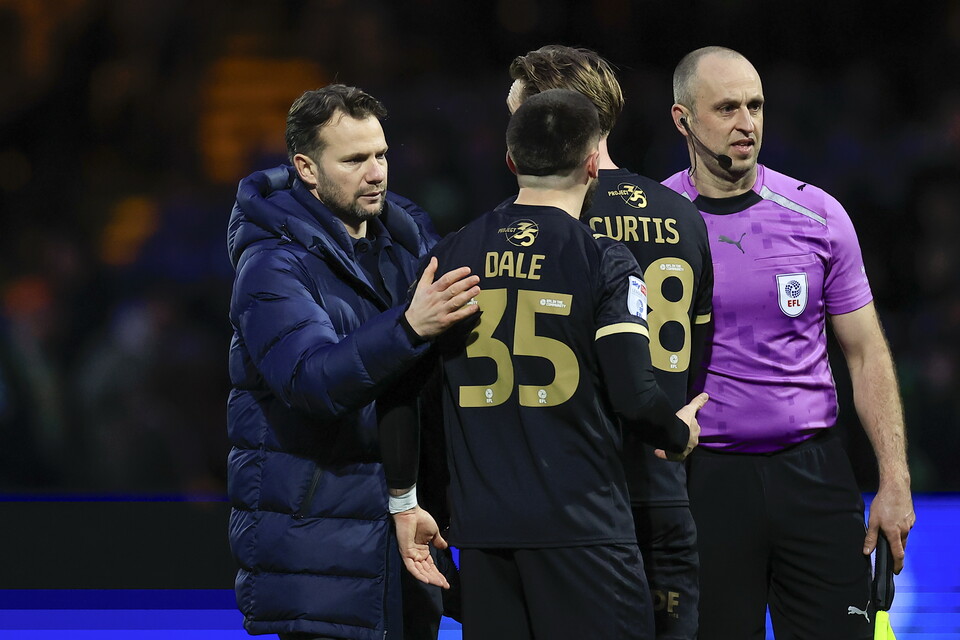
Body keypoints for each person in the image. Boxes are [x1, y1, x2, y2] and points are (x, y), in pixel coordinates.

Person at [381, 88, 708, 640]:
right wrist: (678, 431)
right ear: (591, 165)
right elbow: (635, 397)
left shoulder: (449, 256)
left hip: (484, 539)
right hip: (585, 535)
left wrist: (405, 499)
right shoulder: (604, 260)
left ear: (511, 161)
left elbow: (403, 390)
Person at [662, 46, 915, 639]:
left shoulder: (818, 215)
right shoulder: (656, 224)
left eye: (755, 106)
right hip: (704, 482)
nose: (746, 123)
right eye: (726, 108)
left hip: (815, 475)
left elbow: (866, 353)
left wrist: (895, 478)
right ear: (682, 119)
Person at [225, 84, 481, 640]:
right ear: (306, 169)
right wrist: (409, 327)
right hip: (322, 548)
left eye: (381, 155)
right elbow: (311, 380)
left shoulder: (410, 247)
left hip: (408, 531)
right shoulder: (271, 267)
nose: (376, 173)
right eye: (354, 160)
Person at [505, 45, 713, 640]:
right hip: (666, 486)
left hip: (573, 499)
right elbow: (698, 363)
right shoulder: (685, 216)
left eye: (519, 116)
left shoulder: (537, 229)